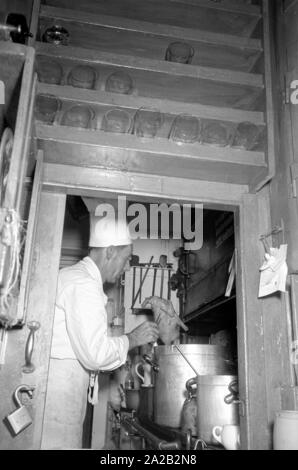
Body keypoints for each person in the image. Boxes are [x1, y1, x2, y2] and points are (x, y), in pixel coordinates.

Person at [41, 214, 159, 449]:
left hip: (61, 387)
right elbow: (95, 354)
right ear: (110, 252)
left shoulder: (79, 279)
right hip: (56, 393)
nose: (126, 267)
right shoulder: (83, 284)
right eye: (126, 259)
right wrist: (132, 338)